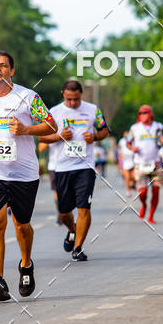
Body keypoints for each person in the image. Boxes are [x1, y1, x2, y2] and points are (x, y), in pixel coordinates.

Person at [0, 51, 56, 302]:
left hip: (23, 173)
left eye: (3, 65)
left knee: (22, 226)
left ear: (11, 71)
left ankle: (26, 265)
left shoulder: (28, 97)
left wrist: (26, 129)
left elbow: (51, 125)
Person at [43, 80, 109, 261]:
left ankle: (78, 248)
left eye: (76, 99)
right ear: (63, 94)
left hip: (85, 167)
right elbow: (41, 137)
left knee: (84, 208)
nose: (73, 103)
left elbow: (104, 130)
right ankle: (72, 229)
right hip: (62, 167)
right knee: (63, 212)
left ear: (81, 94)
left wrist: (94, 136)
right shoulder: (54, 112)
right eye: (69, 99)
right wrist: (59, 136)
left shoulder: (93, 110)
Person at [126, 105, 163, 225]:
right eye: (140, 113)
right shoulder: (134, 128)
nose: (142, 115)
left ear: (150, 114)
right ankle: (144, 204)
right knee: (143, 192)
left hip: (156, 163)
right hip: (140, 163)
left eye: (145, 112)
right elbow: (128, 143)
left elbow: (162, 142)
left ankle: (151, 216)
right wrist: (132, 148)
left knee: (156, 190)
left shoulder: (158, 126)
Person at [38, 138, 61, 224]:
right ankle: (60, 213)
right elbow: (41, 148)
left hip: (71, 165)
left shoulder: (71, 130)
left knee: (69, 192)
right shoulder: (51, 130)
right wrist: (56, 137)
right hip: (54, 166)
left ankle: (66, 212)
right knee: (57, 191)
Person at [117, 130, 136, 195]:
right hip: (125, 160)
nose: (126, 135)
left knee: (134, 177)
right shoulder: (121, 141)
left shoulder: (134, 141)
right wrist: (119, 158)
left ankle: (133, 184)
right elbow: (119, 149)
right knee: (127, 177)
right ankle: (128, 191)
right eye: (125, 134)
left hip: (133, 160)